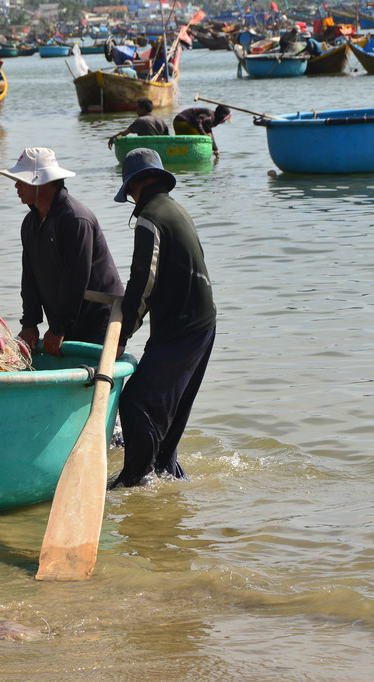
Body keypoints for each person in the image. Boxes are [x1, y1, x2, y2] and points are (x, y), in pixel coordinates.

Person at [109, 148, 216, 488]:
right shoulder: (176, 210)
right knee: (169, 412)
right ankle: (167, 474)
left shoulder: (150, 217)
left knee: (136, 400)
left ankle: (135, 479)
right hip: (201, 323)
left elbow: (144, 281)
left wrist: (123, 332)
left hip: (181, 328)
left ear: (134, 186)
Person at [0, 148, 124, 357]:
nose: (16, 185)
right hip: (67, 320)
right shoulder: (30, 223)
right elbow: (29, 277)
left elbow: (76, 278)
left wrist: (57, 328)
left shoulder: (75, 219)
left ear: (43, 182)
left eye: (22, 179)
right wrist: (30, 323)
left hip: (100, 322)